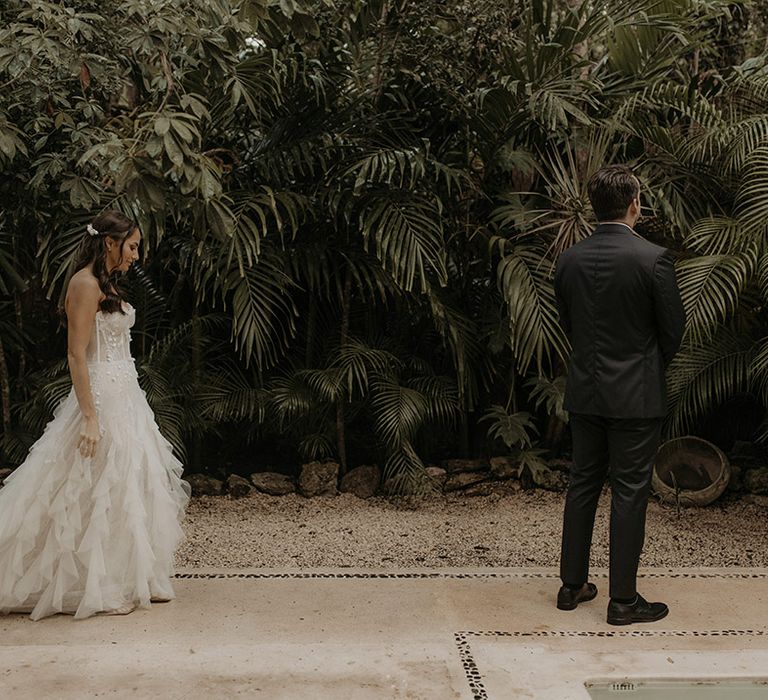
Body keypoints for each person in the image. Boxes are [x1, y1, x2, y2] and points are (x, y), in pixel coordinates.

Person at [0, 210, 190, 620]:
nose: (137, 256)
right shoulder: (84, 285)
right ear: (109, 243)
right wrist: (89, 416)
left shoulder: (108, 285)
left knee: (129, 485)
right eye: (133, 246)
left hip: (127, 394)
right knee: (88, 486)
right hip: (100, 394)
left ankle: (138, 576)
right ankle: (92, 583)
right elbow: (75, 354)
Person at [553, 165, 685, 625]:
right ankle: (623, 601)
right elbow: (673, 333)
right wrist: (645, 367)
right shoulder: (653, 259)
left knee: (583, 481)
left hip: (585, 392)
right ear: (634, 203)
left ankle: (572, 587)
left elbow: (570, 326)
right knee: (629, 491)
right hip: (636, 395)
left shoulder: (568, 259)